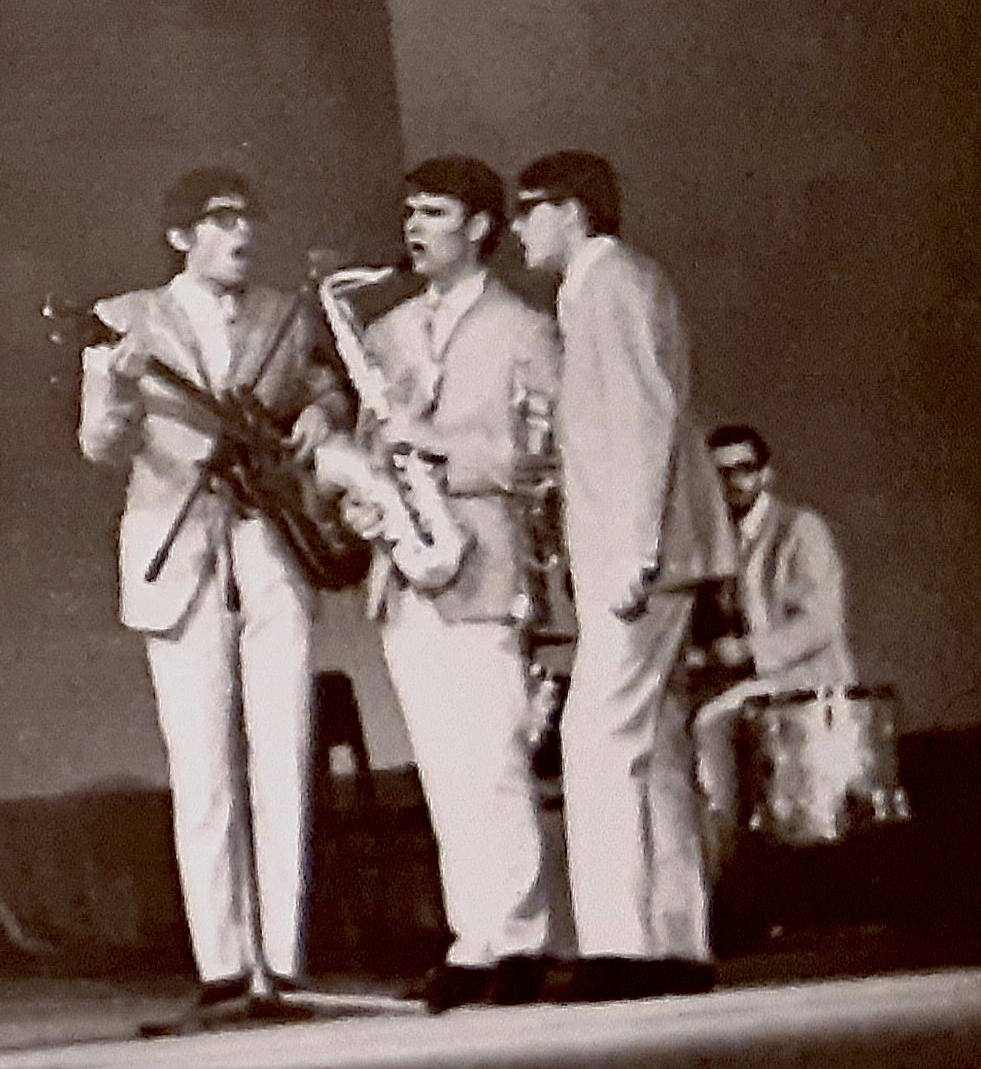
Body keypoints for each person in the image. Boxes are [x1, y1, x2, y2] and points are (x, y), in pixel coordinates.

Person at [78, 167, 351, 1026]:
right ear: (179, 236)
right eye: (220, 220)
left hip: (271, 540)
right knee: (201, 763)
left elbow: (324, 386)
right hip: (179, 545)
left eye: (246, 218)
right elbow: (101, 445)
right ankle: (226, 964)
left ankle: (286, 959)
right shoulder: (126, 318)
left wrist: (325, 415)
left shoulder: (286, 314)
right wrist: (119, 388)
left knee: (284, 750)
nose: (241, 234)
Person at [341, 157, 565, 1011]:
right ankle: (474, 941)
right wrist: (366, 500)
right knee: (441, 766)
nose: (414, 227)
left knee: (496, 759)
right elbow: (369, 450)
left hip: (488, 562)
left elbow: (543, 456)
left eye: (433, 212)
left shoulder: (525, 328)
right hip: (409, 568)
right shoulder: (387, 331)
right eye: (410, 212)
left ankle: (521, 941)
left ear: (480, 227)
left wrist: (436, 448)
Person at [511, 151, 736, 1002]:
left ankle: (619, 948)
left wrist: (633, 552)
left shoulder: (606, 284)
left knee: (597, 738)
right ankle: (676, 942)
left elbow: (644, 419)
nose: (520, 228)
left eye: (530, 209)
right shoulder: (615, 283)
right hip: (653, 550)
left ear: (571, 211)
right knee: (657, 745)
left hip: (640, 554)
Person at [688, 424, 854, 869]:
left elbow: (821, 622)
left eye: (743, 469)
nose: (733, 482)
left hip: (805, 685)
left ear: (766, 473)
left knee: (710, 722)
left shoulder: (801, 530)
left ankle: (727, 863)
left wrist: (748, 652)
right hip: (749, 686)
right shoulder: (714, 541)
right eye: (720, 473)